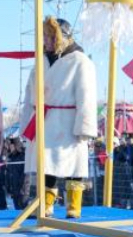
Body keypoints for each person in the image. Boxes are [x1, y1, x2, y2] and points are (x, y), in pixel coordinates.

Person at [19, 17, 98, 220]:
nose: (45, 40)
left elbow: (87, 95)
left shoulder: (80, 61)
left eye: (49, 36)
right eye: (44, 36)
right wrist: (27, 120)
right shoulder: (41, 61)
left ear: (61, 37)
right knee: (46, 163)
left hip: (69, 120)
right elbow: (29, 92)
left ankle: (74, 205)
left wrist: (85, 125)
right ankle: (45, 204)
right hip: (45, 119)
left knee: (74, 163)